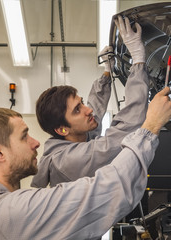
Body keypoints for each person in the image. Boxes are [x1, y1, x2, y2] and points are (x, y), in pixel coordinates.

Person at [0, 86, 171, 240]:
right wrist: (150, 127)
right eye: (24, 136)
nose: (37, 143)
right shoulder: (6, 212)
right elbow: (105, 190)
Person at [32, 16, 151, 188]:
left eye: (81, 103)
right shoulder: (68, 160)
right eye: (77, 110)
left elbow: (94, 107)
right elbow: (128, 126)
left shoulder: (77, 136)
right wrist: (138, 61)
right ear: (62, 129)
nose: (87, 110)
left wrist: (107, 71)